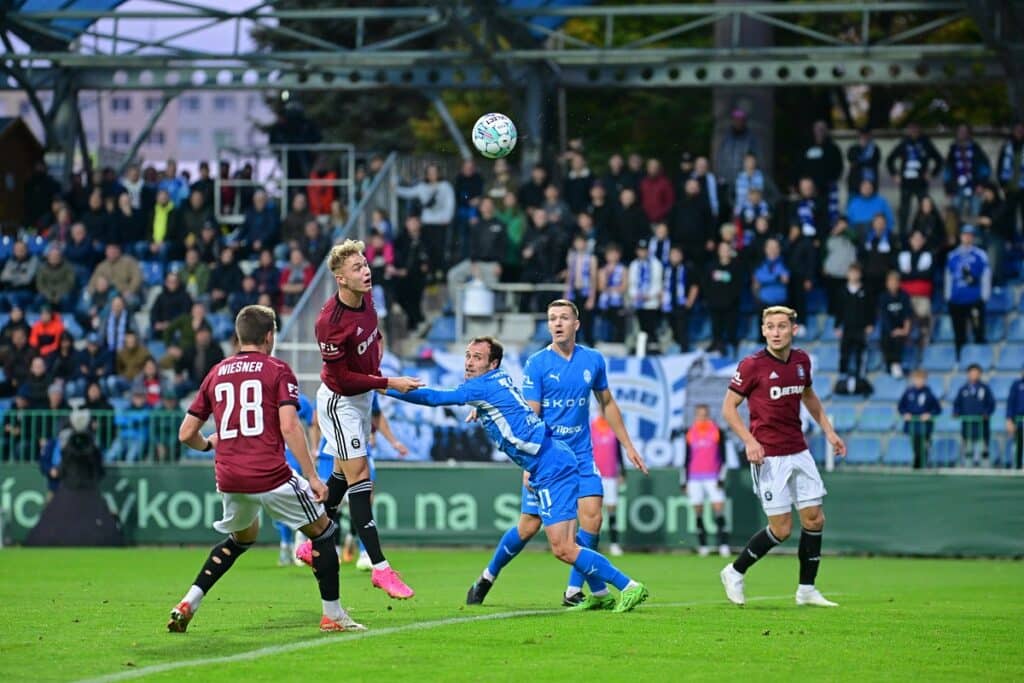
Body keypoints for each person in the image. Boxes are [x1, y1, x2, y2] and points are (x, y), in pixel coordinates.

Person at [388, 335, 649, 613]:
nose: (469, 362)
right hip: (552, 459)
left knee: (562, 548)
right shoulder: (497, 380)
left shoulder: (483, 388)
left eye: (477, 357)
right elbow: (506, 403)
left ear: (493, 363)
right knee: (550, 535)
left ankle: (630, 586)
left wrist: (384, 386)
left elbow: (433, 397)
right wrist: (483, 408)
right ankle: (598, 592)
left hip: (550, 466)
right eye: (467, 355)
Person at [167, 305, 362, 634]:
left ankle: (189, 601)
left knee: (243, 537)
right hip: (269, 474)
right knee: (324, 530)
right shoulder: (277, 370)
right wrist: (313, 476)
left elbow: (186, 433)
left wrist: (209, 445)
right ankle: (333, 615)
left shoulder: (216, 372)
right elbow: (290, 426)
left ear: (239, 336)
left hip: (228, 476)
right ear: (269, 335)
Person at [468, 300, 648, 608]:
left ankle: (573, 592)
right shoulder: (537, 364)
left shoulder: (593, 359)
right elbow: (531, 417)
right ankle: (487, 576)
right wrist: (530, 464)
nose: (558, 323)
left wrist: (628, 445)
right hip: (547, 458)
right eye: (552, 318)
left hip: (580, 454)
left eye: (564, 317)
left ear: (576, 324)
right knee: (528, 526)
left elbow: (607, 403)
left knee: (591, 519)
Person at [306, 239, 421, 599]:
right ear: (341, 278)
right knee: (361, 477)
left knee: (341, 476)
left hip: (362, 400)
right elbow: (341, 380)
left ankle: (310, 542)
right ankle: (380, 568)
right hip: (340, 403)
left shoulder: (368, 299)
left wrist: (378, 359)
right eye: (357, 268)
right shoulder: (329, 322)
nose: (366, 271)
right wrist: (388, 383)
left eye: (365, 264)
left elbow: (373, 332)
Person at [720, 306, 846, 608]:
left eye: (781, 326)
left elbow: (809, 397)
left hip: (799, 450)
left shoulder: (802, 361)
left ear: (793, 330)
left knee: (815, 519)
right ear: (763, 330)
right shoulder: (752, 365)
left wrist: (828, 431)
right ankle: (734, 571)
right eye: (770, 327)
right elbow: (728, 408)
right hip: (768, 456)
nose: (776, 332)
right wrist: (749, 441)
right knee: (782, 528)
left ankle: (806, 589)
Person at [683, 404, 729, 557]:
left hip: (713, 477)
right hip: (694, 478)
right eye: (699, 414)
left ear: (708, 415)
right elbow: (686, 458)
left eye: (704, 414)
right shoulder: (690, 432)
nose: (701, 417)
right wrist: (684, 480)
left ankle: (723, 544)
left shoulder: (717, 431)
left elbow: (724, 457)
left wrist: (721, 477)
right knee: (697, 510)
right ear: (695, 415)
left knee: (718, 508)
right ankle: (703, 545)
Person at [886, 121, 944, 237]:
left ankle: (923, 233)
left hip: (921, 183)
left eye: (915, 128)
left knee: (925, 210)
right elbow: (890, 159)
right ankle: (903, 236)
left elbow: (939, 160)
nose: (913, 131)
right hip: (906, 183)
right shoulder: (904, 143)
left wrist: (932, 173)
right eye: (911, 129)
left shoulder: (926, 143)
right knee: (904, 211)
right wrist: (895, 174)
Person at [945, 225, 990, 360]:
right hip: (957, 300)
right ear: (961, 236)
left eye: (970, 235)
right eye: (965, 234)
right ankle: (960, 359)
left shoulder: (980, 254)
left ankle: (979, 361)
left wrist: (984, 297)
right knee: (959, 333)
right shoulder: (953, 255)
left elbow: (986, 275)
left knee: (978, 331)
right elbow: (948, 276)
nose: (967, 237)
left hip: (974, 299)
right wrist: (948, 297)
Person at [591, 414, 624, 556]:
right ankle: (592, 545)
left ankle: (614, 544)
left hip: (611, 474)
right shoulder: (591, 427)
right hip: (594, 474)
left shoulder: (613, 427)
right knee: (593, 511)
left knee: (611, 509)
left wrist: (622, 472)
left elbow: (619, 452)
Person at [835, 263, 871, 387]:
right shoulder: (842, 291)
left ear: (860, 274)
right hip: (847, 327)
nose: (854, 275)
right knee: (844, 351)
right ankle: (842, 374)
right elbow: (838, 310)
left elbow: (869, 309)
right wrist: (837, 325)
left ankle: (860, 376)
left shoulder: (865, 291)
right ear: (847, 274)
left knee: (861, 352)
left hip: (861, 327)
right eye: (851, 272)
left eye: (856, 273)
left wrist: (870, 324)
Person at [952, 364, 995, 468]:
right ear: (968, 374)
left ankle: (985, 468)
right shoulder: (963, 389)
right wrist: (956, 412)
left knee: (983, 448)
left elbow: (991, 403)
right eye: (971, 373)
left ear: (980, 374)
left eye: (976, 373)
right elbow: (957, 403)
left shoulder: (985, 388)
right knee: (968, 448)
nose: (974, 375)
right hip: (967, 424)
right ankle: (968, 467)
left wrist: (987, 413)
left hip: (982, 425)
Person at [703, 242, 742, 355]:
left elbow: (738, 285)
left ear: (730, 251)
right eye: (722, 249)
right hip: (714, 302)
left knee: (730, 326)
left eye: (727, 249)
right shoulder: (711, 266)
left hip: (730, 303)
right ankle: (716, 343)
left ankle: (730, 345)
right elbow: (706, 283)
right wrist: (709, 298)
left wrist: (731, 299)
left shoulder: (736, 266)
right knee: (716, 325)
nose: (724, 252)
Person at [899, 369, 941, 469]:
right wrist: (905, 413)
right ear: (913, 380)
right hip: (912, 425)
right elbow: (901, 406)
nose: (919, 381)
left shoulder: (929, 394)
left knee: (925, 445)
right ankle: (918, 462)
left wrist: (929, 414)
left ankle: (922, 463)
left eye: (921, 379)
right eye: (917, 379)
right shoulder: (908, 392)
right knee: (915, 445)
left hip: (925, 426)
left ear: (925, 380)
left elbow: (937, 409)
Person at [628, 240, 663, 352]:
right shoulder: (634, 265)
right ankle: (640, 348)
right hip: (637, 302)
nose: (642, 253)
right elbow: (631, 283)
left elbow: (658, 283)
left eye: (644, 250)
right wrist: (635, 295)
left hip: (651, 302)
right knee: (639, 326)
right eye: (640, 250)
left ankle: (653, 347)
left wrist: (649, 295)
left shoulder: (656, 264)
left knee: (651, 326)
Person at [662, 245, 698, 352]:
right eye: (673, 254)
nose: (675, 256)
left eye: (677, 254)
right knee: (672, 328)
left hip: (682, 304)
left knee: (682, 329)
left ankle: (684, 351)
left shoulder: (687, 268)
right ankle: (676, 347)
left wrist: (690, 301)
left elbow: (694, 285)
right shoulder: (665, 269)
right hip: (668, 304)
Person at [877, 271, 912, 378]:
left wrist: (905, 329)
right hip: (888, 329)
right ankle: (889, 364)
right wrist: (892, 330)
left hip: (900, 328)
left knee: (899, 339)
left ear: (899, 283)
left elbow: (907, 314)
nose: (893, 284)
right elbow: (884, 316)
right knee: (886, 339)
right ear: (887, 283)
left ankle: (896, 364)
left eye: (895, 281)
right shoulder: (883, 297)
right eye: (890, 281)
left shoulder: (904, 296)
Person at [597, 243, 628, 343]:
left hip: (618, 301)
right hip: (605, 301)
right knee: (605, 323)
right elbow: (601, 286)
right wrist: (608, 274)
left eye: (615, 254)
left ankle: (618, 342)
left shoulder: (623, 269)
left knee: (618, 324)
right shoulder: (602, 270)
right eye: (610, 254)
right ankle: (605, 340)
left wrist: (613, 289)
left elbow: (624, 286)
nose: (613, 257)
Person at [1006, 370, 1024, 470]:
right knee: (1019, 443)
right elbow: (1010, 403)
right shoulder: (1016, 385)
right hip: (1019, 421)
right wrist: (1009, 420)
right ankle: (1018, 466)